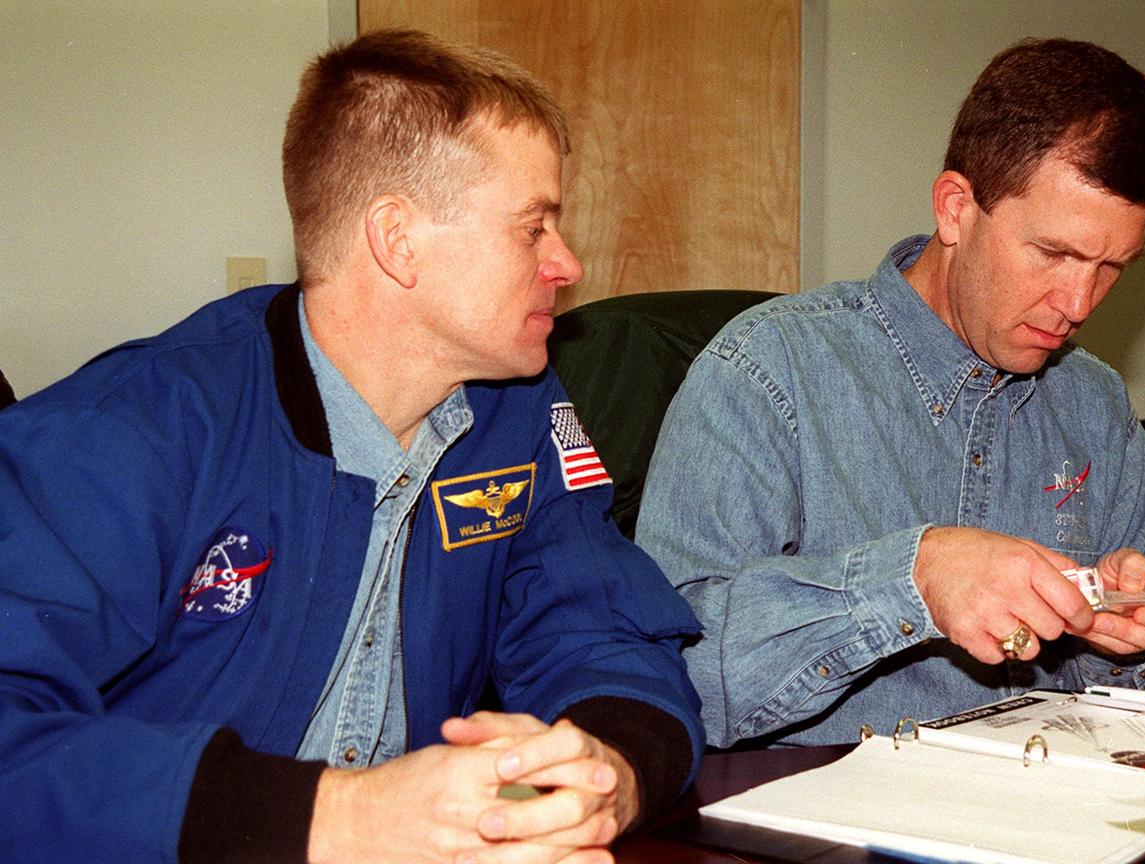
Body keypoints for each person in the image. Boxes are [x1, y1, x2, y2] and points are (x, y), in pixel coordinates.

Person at [0, 30, 704, 864]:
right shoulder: (127, 432)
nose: (568, 262)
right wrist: (343, 820)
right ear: (397, 241)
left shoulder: (519, 418)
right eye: (533, 227)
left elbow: (604, 634)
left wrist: (600, 777)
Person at [635, 38, 1145, 749]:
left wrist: (1130, 637)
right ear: (955, 209)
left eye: (1111, 266)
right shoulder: (766, 369)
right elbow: (665, 678)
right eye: (1054, 253)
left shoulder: (1096, 406)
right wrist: (912, 579)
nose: (1079, 301)